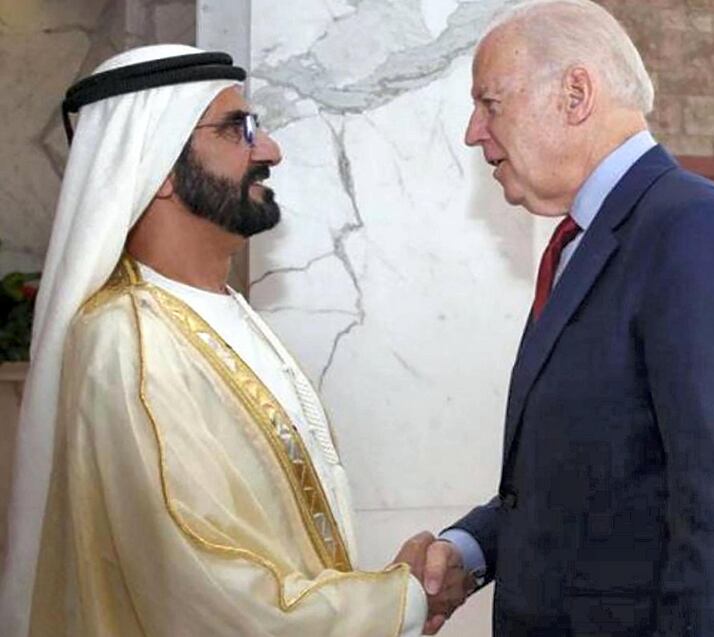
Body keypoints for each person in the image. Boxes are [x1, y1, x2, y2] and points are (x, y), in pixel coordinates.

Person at [0, 44, 458, 637]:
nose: (270, 149)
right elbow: (202, 591)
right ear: (159, 166)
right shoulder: (124, 341)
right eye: (238, 129)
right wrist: (404, 599)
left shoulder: (223, 312)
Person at [416, 1, 714, 635]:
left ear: (575, 93)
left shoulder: (696, 232)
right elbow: (597, 479)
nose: (473, 132)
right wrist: (472, 549)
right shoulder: (585, 243)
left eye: (490, 103)